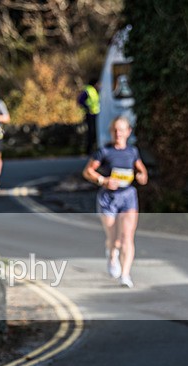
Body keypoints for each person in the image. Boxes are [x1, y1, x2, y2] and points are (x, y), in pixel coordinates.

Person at [82, 116, 148, 288]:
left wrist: (141, 177)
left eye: (121, 130)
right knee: (114, 239)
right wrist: (103, 181)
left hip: (128, 196)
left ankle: (125, 275)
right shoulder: (104, 152)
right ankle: (112, 255)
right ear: (111, 132)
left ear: (128, 132)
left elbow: (142, 172)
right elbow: (88, 171)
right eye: (115, 130)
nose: (118, 133)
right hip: (108, 198)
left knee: (127, 237)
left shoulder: (132, 152)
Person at [77, 78, 100, 155]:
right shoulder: (89, 90)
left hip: (95, 114)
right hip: (91, 114)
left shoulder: (94, 91)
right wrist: (88, 108)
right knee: (91, 132)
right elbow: (80, 100)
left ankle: (93, 149)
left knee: (94, 132)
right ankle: (89, 150)